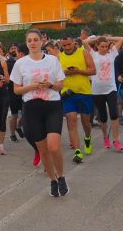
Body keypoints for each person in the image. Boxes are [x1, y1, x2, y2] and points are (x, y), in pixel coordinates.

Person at [10, 29, 69, 197]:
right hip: (32, 108)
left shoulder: (52, 60)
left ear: (42, 42)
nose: (33, 43)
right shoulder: (20, 64)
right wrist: (32, 86)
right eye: (29, 40)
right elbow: (16, 90)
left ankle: (62, 176)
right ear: (26, 43)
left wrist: (49, 84)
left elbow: (60, 85)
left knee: (54, 146)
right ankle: (52, 179)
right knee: (43, 149)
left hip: (52, 105)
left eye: (36, 39)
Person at [59, 36, 96, 163]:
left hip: (85, 92)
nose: (67, 47)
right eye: (64, 46)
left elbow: (93, 70)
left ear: (74, 43)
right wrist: (65, 72)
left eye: (69, 44)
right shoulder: (59, 57)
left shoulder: (83, 52)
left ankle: (87, 137)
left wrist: (79, 71)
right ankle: (77, 151)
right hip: (68, 93)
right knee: (71, 120)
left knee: (86, 122)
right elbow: (56, 74)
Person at [85, 36, 123, 151]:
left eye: (106, 46)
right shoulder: (93, 54)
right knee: (103, 116)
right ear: (97, 46)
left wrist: (107, 38)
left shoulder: (112, 53)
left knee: (114, 114)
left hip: (111, 88)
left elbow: (121, 39)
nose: (104, 48)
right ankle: (105, 137)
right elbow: (83, 42)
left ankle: (116, 140)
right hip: (97, 90)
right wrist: (96, 38)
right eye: (102, 46)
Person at [7, 44, 27, 143]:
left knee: (25, 113)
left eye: (15, 49)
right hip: (13, 92)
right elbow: (8, 77)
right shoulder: (9, 62)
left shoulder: (28, 62)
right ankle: (12, 134)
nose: (14, 50)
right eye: (12, 48)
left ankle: (18, 126)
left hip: (25, 92)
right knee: (14, 115)